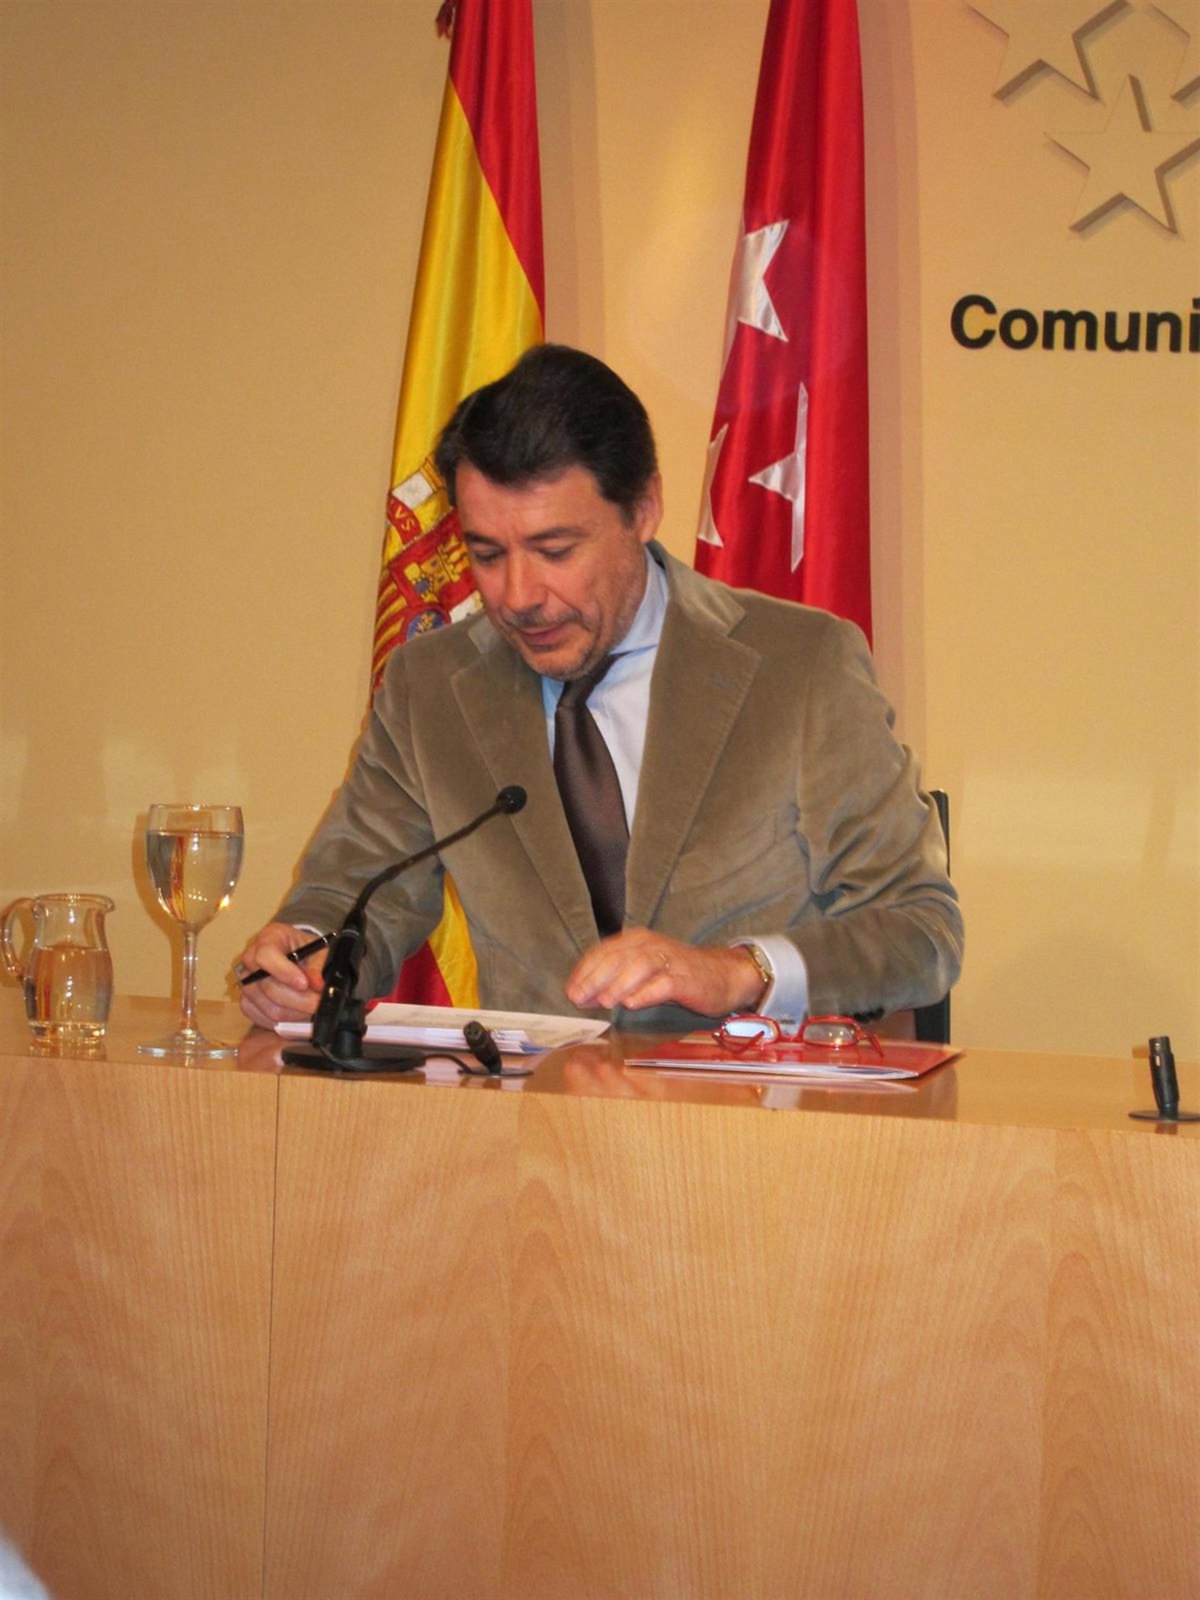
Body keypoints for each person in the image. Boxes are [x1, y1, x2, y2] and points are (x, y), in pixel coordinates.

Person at [239, 345, 962, 1033]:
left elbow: (920, 930)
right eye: (486, 554)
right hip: (533, 1110)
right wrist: (303, 959)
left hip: (747, 1104)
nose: (519, 596)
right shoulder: (429, 688)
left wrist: (740, 971)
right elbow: (352, 895)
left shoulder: (800, 666)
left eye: (555, 550)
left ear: (643, 510)